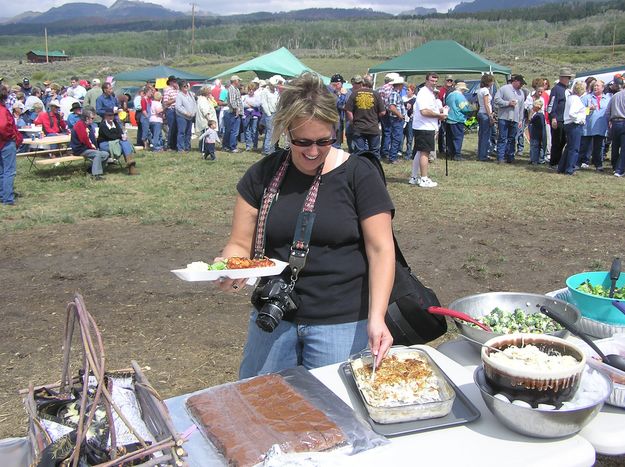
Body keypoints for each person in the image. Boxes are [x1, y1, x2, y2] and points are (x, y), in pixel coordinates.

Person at [216, 72, 395, 378]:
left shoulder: (359, 175)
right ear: (286, 131)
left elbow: (381, 249)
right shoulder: (262, 175)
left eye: (323, 141)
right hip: (274, 316)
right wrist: (227, 265)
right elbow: (239, 243)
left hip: (340, 321)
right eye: (303, 142)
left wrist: (377, 317)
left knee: (334, 413)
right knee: (262, 405)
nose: (313, 152)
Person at [410, 72, 446, 188]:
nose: (434, 83)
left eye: (435, 81)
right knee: (425, 153)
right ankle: (424, 178)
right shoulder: (424, 93)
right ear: (426, 80)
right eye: (432, 80)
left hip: (425, 126)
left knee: (420, 152)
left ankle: (414, 177)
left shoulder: (429, 93)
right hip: (424, 127)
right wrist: (439, 115)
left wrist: (440, 111)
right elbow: (424, 111)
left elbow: (430, 109)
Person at [345, 74, 385, 157]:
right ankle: (374, 167)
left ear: (362, 84)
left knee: (359, 151)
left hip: (359, 127)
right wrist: (374, 117)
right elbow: (383, 112)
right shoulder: (376, 94)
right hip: (373, 127)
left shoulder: (354, 93)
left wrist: (353, 121)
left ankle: (360, 168)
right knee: (374, 151)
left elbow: (348, 110)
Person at [494, 74, 526, 164]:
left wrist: (520, 119)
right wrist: (507, 103)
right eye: (520, 83)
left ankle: (510, 156)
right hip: (504, 117)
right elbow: (496, 100)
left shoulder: (521, 93)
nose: (521, 85)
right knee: (502, 138)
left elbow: (521, 107)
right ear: (515, 81)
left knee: (512, 139)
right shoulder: (504, 89)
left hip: (515, 119)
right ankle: (500, 157)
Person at [70, 110, 109, 181]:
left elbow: (91, 139)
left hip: (86, 148)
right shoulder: (79, 125)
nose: (93, 120)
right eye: (92, 118)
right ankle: (96, 175)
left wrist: (95, 147)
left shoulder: (88, 126)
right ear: (87, 118)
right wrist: (94, 148)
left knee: (105, 154)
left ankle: (91, 169)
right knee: (97, 154)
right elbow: (84, 139)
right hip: (80, 149)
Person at [97, 109, 139, 175]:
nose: (111, 117)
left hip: (115, 142)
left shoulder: (115, 123)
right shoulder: (103, 125)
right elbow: (109, 136)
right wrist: (120, 136)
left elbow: (120, 132)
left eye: (112, 115)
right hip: (105, 144)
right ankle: (130, 165)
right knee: (124, 143)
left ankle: (130, 163)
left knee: (124, 142)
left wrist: (121, 136)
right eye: (109, 115)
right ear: (105, 116)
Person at [580, 79, 610, 171]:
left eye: (598, 86)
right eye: (595, 85)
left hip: (601, 127)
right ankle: (578, 162)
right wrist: (589, 109)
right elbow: (580, 111)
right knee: (584, 146)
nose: (596, 87)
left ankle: (598, 164)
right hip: (588, 127)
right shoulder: (587, 98)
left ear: (603, 88)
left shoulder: (608, 99)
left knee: (599, 147)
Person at [547, 68, 574, 169]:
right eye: (568, 78)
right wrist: (553, 117)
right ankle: (554, 162)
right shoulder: (556, 89)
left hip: (565, 119)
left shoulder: (567, 90)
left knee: (563, 141)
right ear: (562, 78)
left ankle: (559, 161)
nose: (569, 80)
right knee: (557, 142)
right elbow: (551, 105)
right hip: (558, 119)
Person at [0, 84, 23, 206]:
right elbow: (3, 126)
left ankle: (2, 194)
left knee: (2, 170)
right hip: (6, 142)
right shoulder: (2, 110)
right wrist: (11, 135)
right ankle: (7, 198)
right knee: (9, 171)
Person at [558, 81, 586, 175]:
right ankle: (570, 168)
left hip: (568, 124)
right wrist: (579, 120)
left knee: (569, 147)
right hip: (574, 125)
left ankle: (562, 167)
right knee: (574, 148)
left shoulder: (570, 98)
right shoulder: (576, 99)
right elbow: (572, 113)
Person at [445, 81, 472, 161]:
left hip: (449, 118)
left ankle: (451, 153)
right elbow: (465, 108)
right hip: (457, 119)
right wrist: (470, 111)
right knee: (458, 137)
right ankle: (457, 154)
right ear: (462, 89)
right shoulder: (460, 96)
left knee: (450, 137)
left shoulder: (450, 95)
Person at [606, 77, 625, 177]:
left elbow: (607, 112)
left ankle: (614, 166)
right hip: (623, 121)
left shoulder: (614, 96)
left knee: (615, 146)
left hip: (614, 122)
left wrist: (609, 121)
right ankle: (619, 169)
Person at [386, 75, 406, 164]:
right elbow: (392, 107)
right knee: (396, 138)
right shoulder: (394, 94)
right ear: (399, 85)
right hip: (396, 119)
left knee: (396, 137)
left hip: (396, 118)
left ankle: (392, 156)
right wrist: (400, 115)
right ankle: (392, 157)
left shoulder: (395, 93)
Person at [476, 74, 495, 162]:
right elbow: (487, 104)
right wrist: (490, 115)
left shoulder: (479, 90)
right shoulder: (486, 91)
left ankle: (480, 153)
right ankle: (483, 155)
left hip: (480, 113)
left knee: (481, 135)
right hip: (485, 114)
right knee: (485, 136)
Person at [175, 81, 196, 152]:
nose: (186, 87)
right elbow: (178, 107)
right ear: (181, 87)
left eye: (187, 86)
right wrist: (185, 113)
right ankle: (180, 148)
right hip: (182, 117)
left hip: (190, 117)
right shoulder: (179, 95)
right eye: (184, 86)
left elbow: (194, 104)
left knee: (188, 133)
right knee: (181, 132)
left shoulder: (190, 94)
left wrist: (194, 112)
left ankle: (187, 147)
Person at [223, 75, 243, 153]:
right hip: (233, 113)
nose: (239, 82)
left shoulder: (236, 89)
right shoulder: (232, 89)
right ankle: (232, 146)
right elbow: (232, 101)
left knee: (231, 130)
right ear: (235, 81)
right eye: (239, 81)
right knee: (234, 131)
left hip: (235, 112)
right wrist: (236, 109)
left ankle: (227, 145)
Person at [528, 100, 545, 165]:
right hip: (539, 134)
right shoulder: (541, 115)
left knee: (534, 146)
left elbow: (530, 121)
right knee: (538, 146)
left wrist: (530, 114)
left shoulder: (538, 116)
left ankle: (534, 160)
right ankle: (539, 159)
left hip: (536, 134)